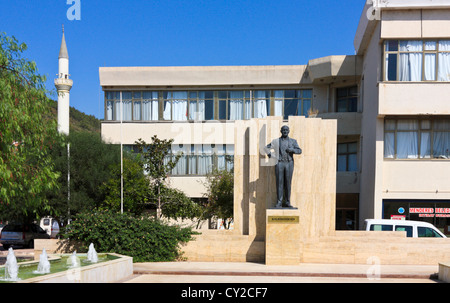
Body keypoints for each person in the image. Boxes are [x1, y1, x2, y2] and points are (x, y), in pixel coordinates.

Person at [264, 126, 302, 208]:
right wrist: (270, 155)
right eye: (283, 130)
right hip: (279, 163)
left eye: (286, 130)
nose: (285, 131)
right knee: (279, 183)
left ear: (289, 131)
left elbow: (299, 151)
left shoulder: (293, 141)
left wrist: (292, 150)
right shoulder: (276, 141)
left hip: (289, 163)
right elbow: (266, 148)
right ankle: (279, 202)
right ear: (281, 131)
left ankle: (288, 202)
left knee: (288, 183)